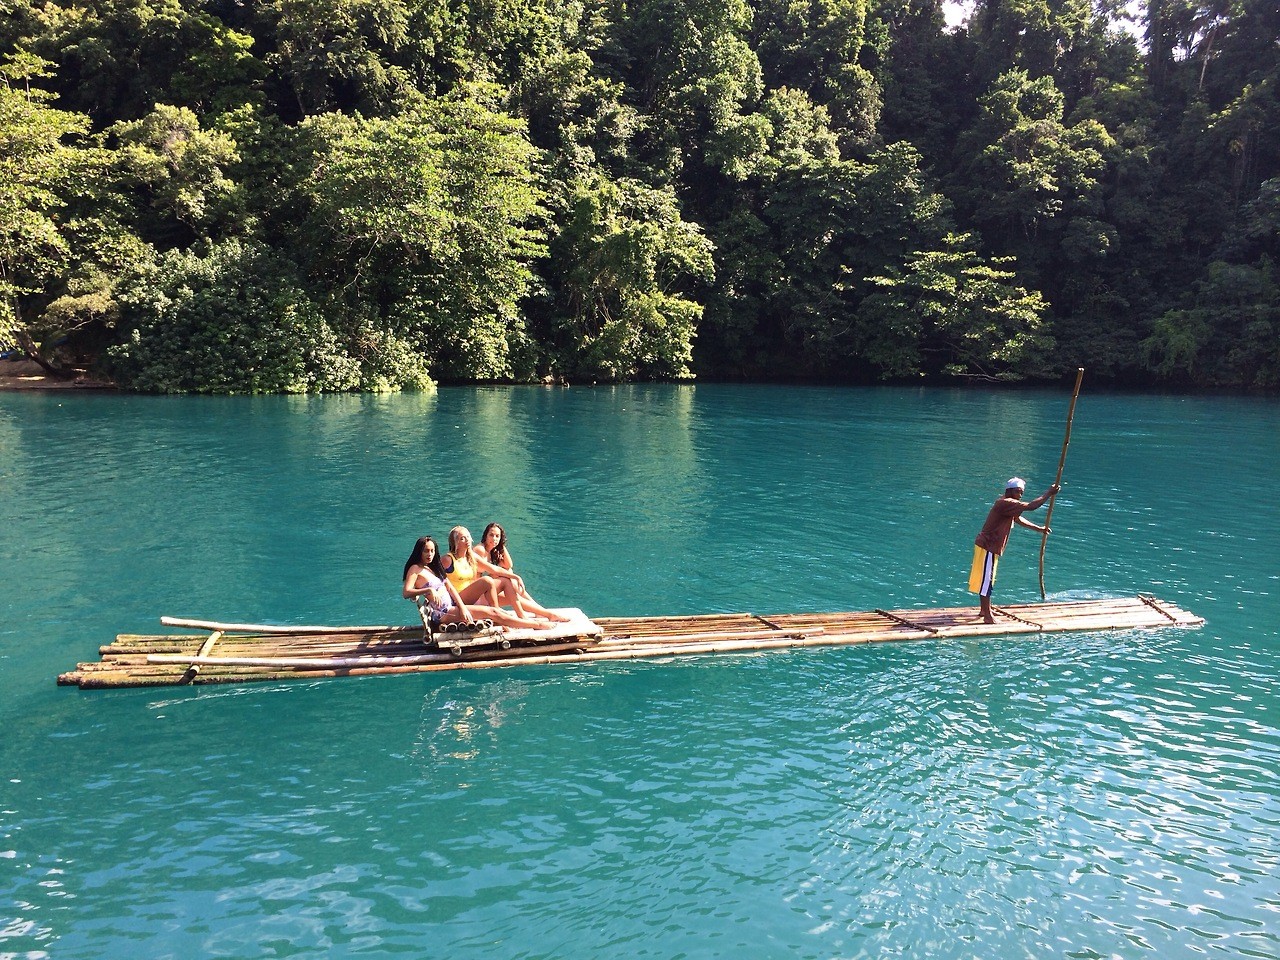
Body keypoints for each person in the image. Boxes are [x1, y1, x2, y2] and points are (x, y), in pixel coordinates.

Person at [402, 536, 546, 632]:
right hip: (443, 614)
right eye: (426, 551)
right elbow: (406, 592)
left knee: (497, 611)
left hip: (453, 607)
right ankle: (536, 625)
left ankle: (521, 623)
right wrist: (427, 590)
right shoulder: (415, 569)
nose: (430, 554)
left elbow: (450, 588)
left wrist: (463, 608)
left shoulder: (433, 568)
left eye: (432, 551)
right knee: (493, 612)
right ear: (419, 551)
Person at [969, 477, 1059, 624]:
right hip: (988, 545)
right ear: (1009, 491)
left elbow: (1017, 519)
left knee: (987, 579)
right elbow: (1031, 506)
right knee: (986, 581)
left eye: (1022, 492)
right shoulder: (1005, 502)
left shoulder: (1009, 505)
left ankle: (985, 610)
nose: (1020, 495)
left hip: (990, 546)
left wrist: (1039, 529)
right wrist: (1048, 493)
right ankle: (987, 616)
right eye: (1018, 491)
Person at [441, 526, 549, 622]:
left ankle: (526, 616)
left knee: (507, 584)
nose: (467, 540)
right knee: (486, 581)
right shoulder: (448, 559)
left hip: (473, 596)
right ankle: (500, 617)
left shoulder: (471, 556)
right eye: (462, 538)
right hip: (458, 599)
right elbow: (434, 576)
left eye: (468, 536)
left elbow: (495, 568)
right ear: (455, 542)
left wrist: (515, 576)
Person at [479, 522, 571, 622]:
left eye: (497, 536)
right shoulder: (480, 550)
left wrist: (501, 546)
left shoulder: (491, 550)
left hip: (485, 593)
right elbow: (492, 571)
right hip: (477, 597)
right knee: (508, 580)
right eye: (491, 535)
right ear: (485, 535)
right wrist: (516, 577)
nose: (494, 539)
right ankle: (528, 615)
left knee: (514, 594)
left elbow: (508, 565)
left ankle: (546, 614)